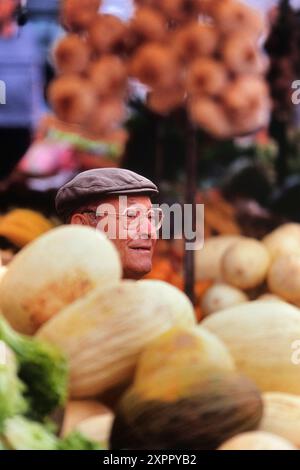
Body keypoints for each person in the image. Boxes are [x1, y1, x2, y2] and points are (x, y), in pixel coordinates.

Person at [55, 168, 163, 280]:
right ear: (81, 226)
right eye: (131, 215)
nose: (149, 231)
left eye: (150, 217)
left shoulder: (147, 296)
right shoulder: (53, 294)